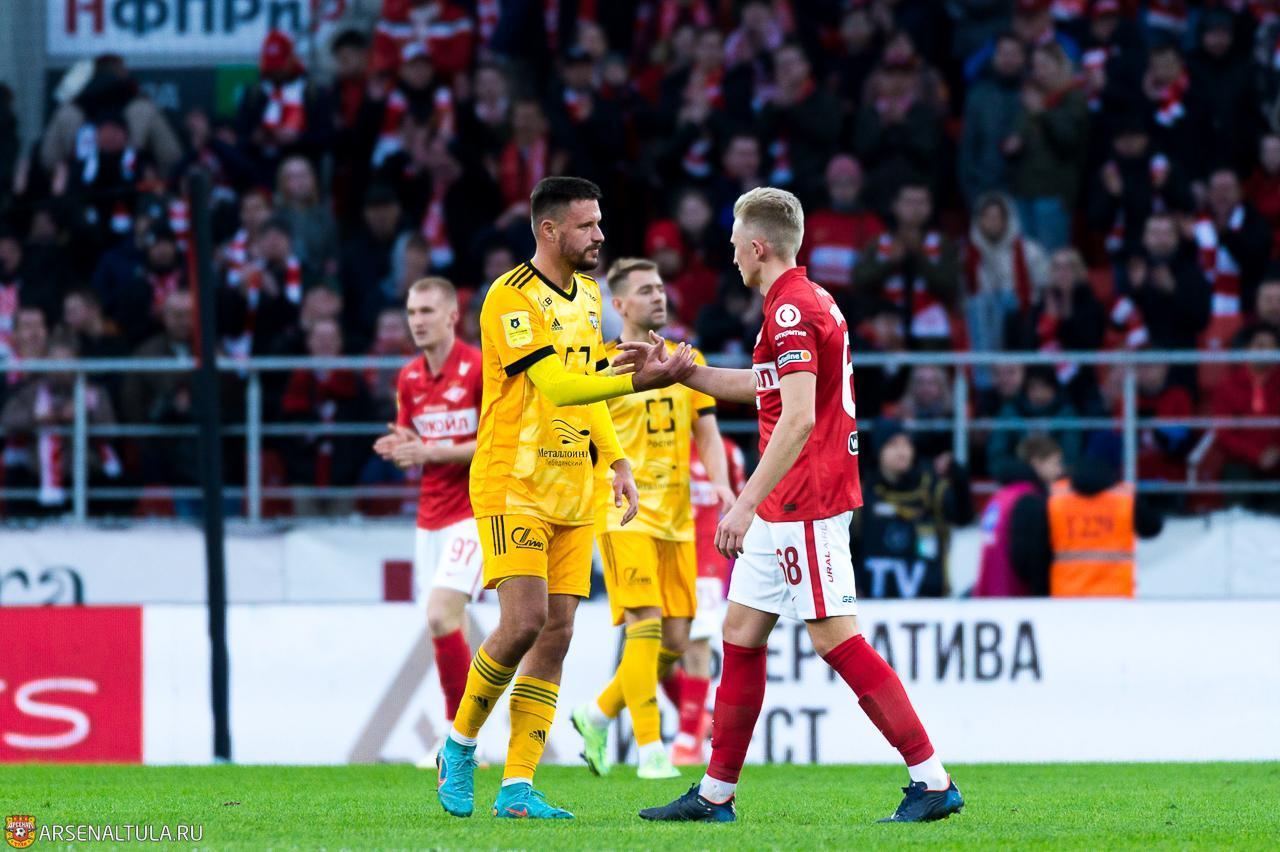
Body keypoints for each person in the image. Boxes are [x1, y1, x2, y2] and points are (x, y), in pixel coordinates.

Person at [632, 187, 961, 824]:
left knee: (837, 639)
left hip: (804, 498)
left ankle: (932, 780)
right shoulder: (803, 301)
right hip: (785, 500)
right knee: (740, 634)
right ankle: (715, 794)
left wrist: (743, 503)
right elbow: (768, 391)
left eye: (735, 243)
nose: (730, 254)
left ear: (757, 246)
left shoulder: (790, 310)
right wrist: (683, 372)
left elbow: (799, 417)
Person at [433, 177, 696, 821]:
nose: (600, 235)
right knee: (522, 622)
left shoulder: (588, 294)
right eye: (587, 225)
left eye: (599, 223)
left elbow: (590, 382)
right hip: (513, 483)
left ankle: (518, 788)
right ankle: (459, 745)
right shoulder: (510, 297)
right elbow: (556, 385)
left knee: (556, 635)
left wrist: (617, 460)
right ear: (549, 231)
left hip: (576, 487)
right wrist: (639, 380)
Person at [571, 257, 734, 780]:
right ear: (618, 304)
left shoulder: (689, 361)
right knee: (645, 622)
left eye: (660, 287)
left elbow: (706, 433)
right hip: (622, 511)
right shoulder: (600, 365)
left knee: (676, 640)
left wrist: (723, 485)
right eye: (645, 290)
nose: (658, 296)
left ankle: (596, 714)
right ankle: (650, 750)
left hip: (677, 519)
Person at [372, 277, 483, 754]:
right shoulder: (409, 378)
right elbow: (411, 441)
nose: (417, 321)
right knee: (448, 624)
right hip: (429, 517)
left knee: (440, 616)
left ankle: (455, 737)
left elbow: (495, 443)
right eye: (412, 312)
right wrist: (399, 447)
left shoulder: (479, 369)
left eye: (427, 311)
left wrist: (428, 450)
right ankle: (463, 737)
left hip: (474, 511)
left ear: (452, 316)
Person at [667, 434, 746, 766]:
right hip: (665, 559)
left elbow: (743, 504)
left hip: (707, 562)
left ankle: (687, 741)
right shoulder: (659, 441)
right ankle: (697, 719)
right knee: (659, 652)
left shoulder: (727, 451)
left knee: (697, 644)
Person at [853, 421, 973, 599]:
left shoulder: (932, 490)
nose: (902, 451)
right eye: (893, 445)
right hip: (874, 607)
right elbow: (849, 548)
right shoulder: (862, 495)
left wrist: (960, 479)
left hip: (931, 605)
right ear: (878, 451)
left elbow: (964, 519)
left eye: (906, 444)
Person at [1044, 455, 1163, 597]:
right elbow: (1152, 528)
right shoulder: (1125, 498)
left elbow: (1039, 545)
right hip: (1116, 593)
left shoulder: (1055, 497)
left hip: (1067, 593)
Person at [971, 434, 1063, 597]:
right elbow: (1028, 556)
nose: (1059, 470)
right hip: (1016, 597)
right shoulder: (1029, 499)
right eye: (1055, 463)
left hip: (992, 594)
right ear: (1037, 463)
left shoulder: (1000, 496)